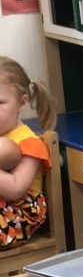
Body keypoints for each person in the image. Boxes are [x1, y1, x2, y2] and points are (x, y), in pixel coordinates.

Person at [0, 57, 56, 251]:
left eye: (0, 102)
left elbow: (16, 188)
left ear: (22, 103)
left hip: (20, 214)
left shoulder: (29, 142)